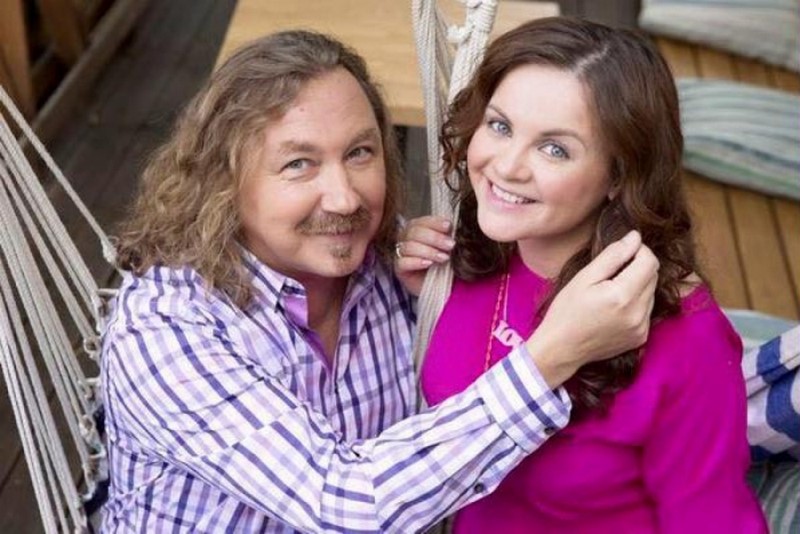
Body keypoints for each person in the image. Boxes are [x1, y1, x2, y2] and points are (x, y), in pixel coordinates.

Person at [99, 29, 659, 532]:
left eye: (359, 153)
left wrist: (438, 301)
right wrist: (552, 355)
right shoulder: (165, 327)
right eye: (299, 164)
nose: (345, 199)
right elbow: (344, 505)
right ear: (224, 181)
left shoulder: (389, 265)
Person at [397, 17, 767, 533]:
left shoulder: (685, 336)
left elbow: (712, 520)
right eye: (500, 126)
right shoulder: (465, 262)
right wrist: (408, 298)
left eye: (555, 149)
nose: (507, 167)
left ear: (619, 176)